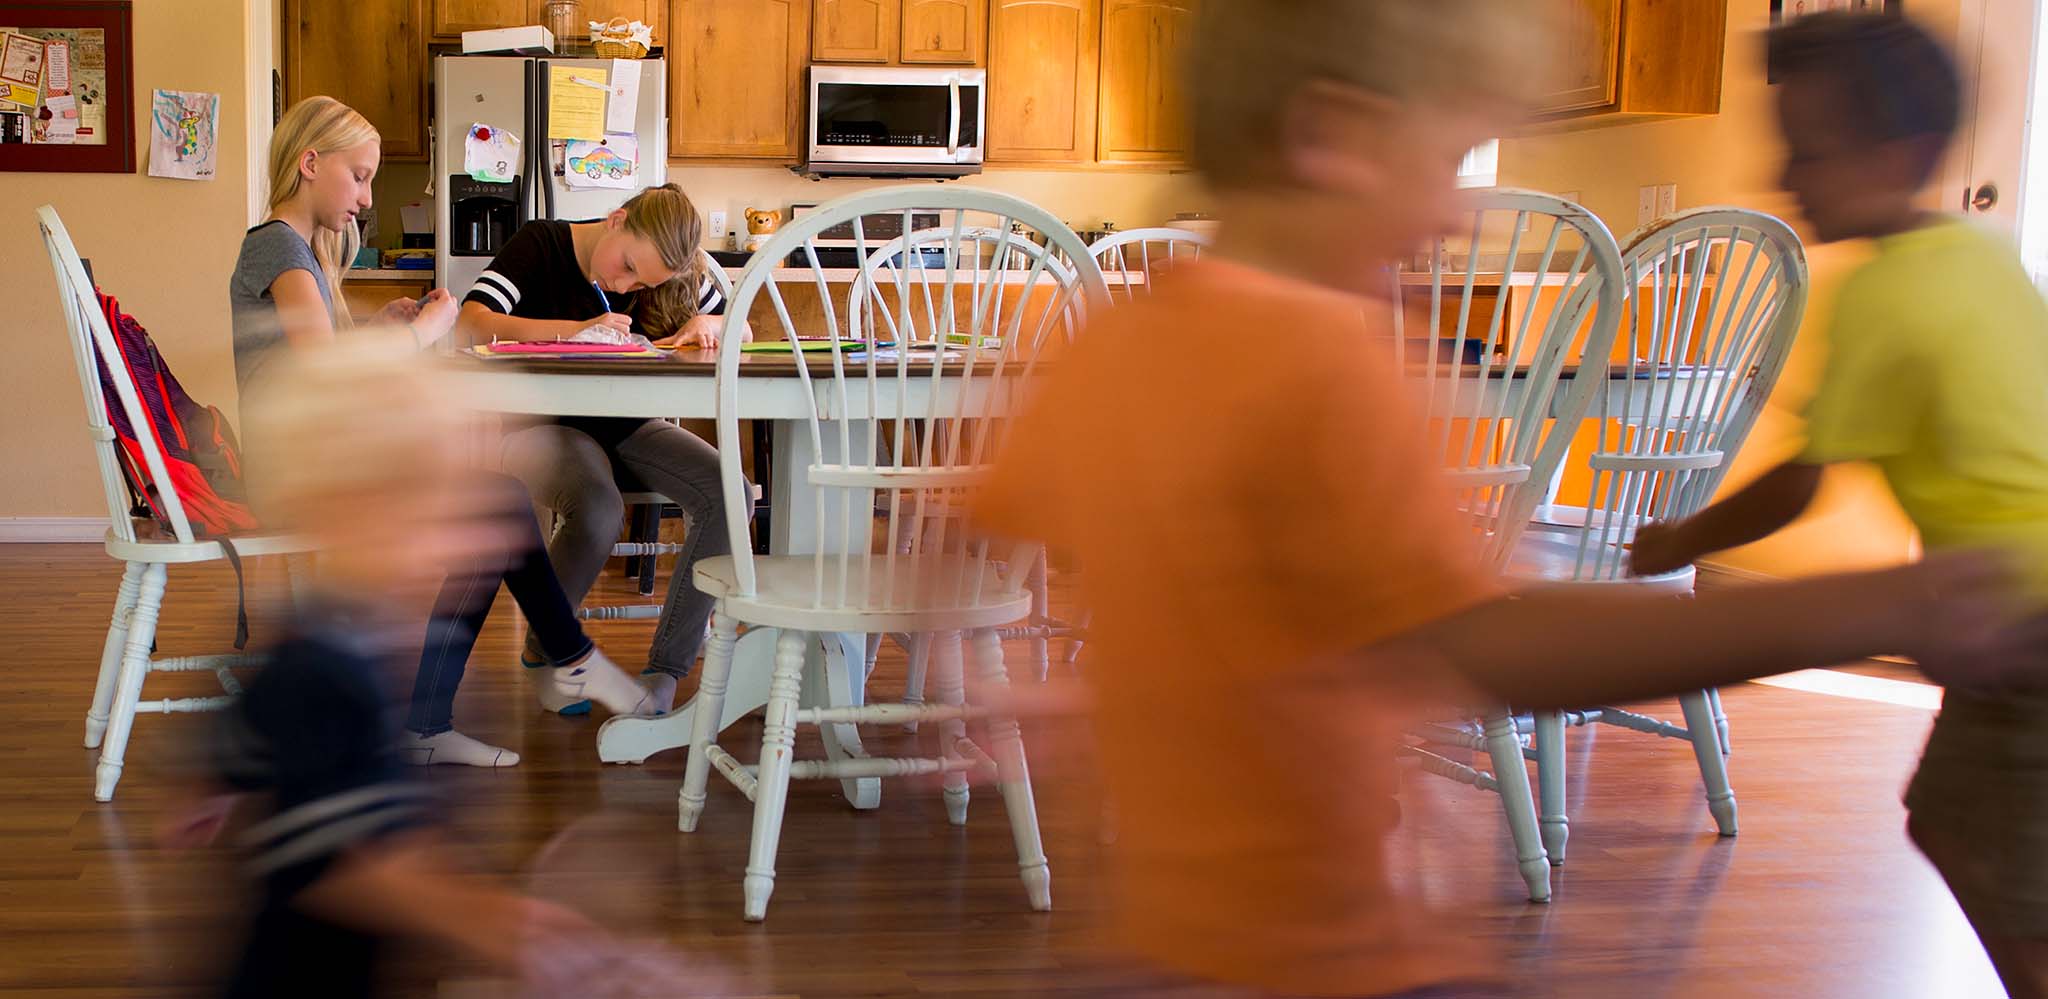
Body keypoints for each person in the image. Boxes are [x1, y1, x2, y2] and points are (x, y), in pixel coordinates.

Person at [973, 2, 2048, 995]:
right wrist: (1875, 609)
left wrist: (1047, 697)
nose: (1459, 213)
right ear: (1328, 135)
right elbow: (1484, 647)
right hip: (1315, 952)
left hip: (1156, 939)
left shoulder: (1116, 341)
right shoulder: (1321, 365)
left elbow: (1001, 547)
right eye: (1448, 159)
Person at [1628, 13, 2048, 997]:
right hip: (2015, 610)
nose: (1784, 176)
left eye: (1806, 152)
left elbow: (1798, 484)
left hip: (2020, 622)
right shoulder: (1983, 258)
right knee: (1966, 819)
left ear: (1896, 154)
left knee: (1972, 827)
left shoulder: (1883, 296)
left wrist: (1675, 542)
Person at [167, 339, 617, 997]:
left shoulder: (335, 636)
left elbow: (237, 729)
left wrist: (211, 790)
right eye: (436, 507)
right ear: (346, 514)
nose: (472, 535)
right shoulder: (328, 674)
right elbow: (364, 871)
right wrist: (504, 924)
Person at [232, 96, 662, 767]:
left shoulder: (291, 252)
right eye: (361, 175)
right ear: (310, 164)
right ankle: (548, 666)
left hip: (302, 459)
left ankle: (476, 698)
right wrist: (425, 334)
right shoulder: (281, 249)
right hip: (292, 472)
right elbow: (321, 376)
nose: (368, 196)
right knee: (495, 504)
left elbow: (312, 357)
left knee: (498, 502)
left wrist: (380, 330)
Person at [454, 183, 753, 716]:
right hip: (537, 428)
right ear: (616, 219)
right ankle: (552, 648)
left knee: (729, 491)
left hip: (627, 427)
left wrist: (714, 323)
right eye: (627, 266)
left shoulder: (666, 272)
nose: (625, 284)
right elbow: (470, 324)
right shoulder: (541, 244)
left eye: (642, 281)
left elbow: (744, 325)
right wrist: (576, 331)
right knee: (597, 508)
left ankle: (665, 670)